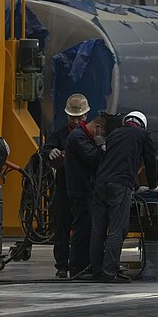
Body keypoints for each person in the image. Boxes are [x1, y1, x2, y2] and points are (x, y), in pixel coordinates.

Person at [87, 110, 158, 283]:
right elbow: (150, 162)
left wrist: (135, 185)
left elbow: (114, 159)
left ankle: (96, 271)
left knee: (98, 230)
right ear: (142, 124)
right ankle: (110, 272)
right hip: (119, 186)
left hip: (100, 185)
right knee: (117, 230)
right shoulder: (143, 135)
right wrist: (153, 186)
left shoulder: (114, 134)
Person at [40, 93, 90, 278]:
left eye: (79, 117)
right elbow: (45, 149)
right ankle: (62, 265)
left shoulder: (90, 135)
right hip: (64, 188)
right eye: (72, 117)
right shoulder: (60, 135)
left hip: (85, 189)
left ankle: (80, 264)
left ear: (86, 116)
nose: (76, 121)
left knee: (83, 228)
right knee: (61, 227)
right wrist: (50, 151)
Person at [64, 114, 107, 278]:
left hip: (86, 190)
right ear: (97, 128)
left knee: (87, 228)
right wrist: (101, 147)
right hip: (80, 190)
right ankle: (76, 268)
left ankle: (86, 265)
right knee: (82, 229)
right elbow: (95, 159)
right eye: (102, 134)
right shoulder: (78, 137)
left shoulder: (82, 136)